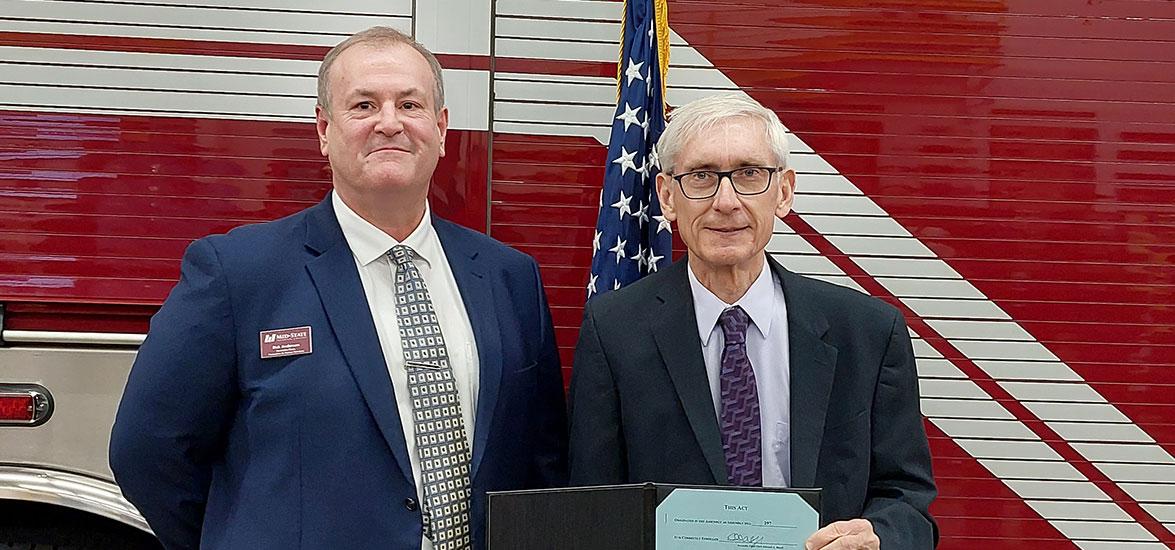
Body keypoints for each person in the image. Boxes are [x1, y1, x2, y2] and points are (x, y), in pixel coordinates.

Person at [109, 26, 567, 550]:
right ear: (324, 130)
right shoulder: (238, 274)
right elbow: (146, 451)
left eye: (410, 105)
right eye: (364, 105)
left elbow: (541, 460)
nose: (389, 123)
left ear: (441, 130)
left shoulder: (509, 278)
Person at [567, 93, 936, 549]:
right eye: (701, 176)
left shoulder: (867, 332)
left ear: (783, 192)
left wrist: (879, 537)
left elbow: (908, 500)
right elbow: (589, 505)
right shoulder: (614, 330)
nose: (727, 201)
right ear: (667, 197)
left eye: (748, 174)